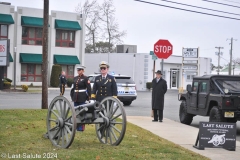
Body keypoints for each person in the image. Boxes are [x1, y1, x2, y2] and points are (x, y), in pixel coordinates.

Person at [70, 66, 91, 131]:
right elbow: (72, 88)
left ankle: (81, 128)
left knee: (82, 112)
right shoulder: (75, 78)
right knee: (76, 112)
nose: (79, 71)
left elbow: (89, 88)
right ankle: (76, 126)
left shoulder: (85, 78)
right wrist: (72, 96)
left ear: (83, 71)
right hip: (76, 97)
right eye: (78, 70)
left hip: (82, 97)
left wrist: (89, 97)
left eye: (80, 70)